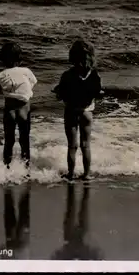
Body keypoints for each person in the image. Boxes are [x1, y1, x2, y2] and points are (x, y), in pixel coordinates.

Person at [53, 40, 102, 181]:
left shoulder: (67, 75)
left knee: (72, 146)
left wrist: (57, 92)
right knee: (86, 145)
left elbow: (61, 95)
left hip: (71, 111)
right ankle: (87, 174)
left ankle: (71, 174)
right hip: (86, 112)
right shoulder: (94, 75)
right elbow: (97, 92)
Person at [0, 42, 37, 169]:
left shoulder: (0, 75)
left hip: (10, 110)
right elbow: (33, 82)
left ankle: (7, 167)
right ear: (19, 58)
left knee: (9, 141)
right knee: (24, 140)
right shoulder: (26, 71)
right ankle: (26, 167)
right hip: (24, 110)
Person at [51, 183, 103, 260]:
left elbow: (56, 257)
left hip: (73, 238)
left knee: (74, 209)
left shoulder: (69, 256)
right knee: (77, 209)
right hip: (76, 238)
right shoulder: (80, 255)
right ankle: (81, 186)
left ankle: (78, 186)